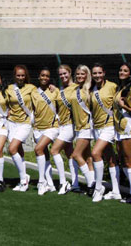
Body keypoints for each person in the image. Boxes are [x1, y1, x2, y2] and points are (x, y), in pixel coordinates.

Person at [90, 63, 119, 202]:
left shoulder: (112, 86)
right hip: (97, 127)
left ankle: (99, 187)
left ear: (104, 73)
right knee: (110, 158)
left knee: (95, 153)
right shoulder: (91, 88)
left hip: (109, 126)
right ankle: (116, 191)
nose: (97, 76)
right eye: (94, 73)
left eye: (99, 73)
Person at [49, 65, 80, 195]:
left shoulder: (76, 87)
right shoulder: (61, 89)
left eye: (65, 73)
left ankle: (63, 182)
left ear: (70, 72)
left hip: (70, 125)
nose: (63, 76)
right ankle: (75, 183)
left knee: (54, 150)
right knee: (70, 153)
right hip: (61, 125)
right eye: (60, 74)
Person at [5, 65, 36, 192]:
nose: (20, 78)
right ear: (14, 76)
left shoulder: (32, 88)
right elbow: (6, 103)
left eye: (23, 75)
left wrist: (51, 88)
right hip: (12, 123)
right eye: (18, 75)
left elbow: (39, 99)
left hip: (25, 122)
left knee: (11, 149)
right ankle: (23, 176)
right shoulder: (9, 89)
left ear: (26, 76)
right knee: (18, 150)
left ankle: (24, 180)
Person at [113, 62, 131, 203]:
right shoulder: (120, 87)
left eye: (125, 71)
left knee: (129, 160)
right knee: (122, 160)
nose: (122, 72)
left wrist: (124, 107)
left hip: (128, 125)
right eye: (121, 70)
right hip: (118, 127)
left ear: (130, 74)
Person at [31, 68, 59, 196]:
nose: (45, 78)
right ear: (39, 77)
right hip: (37, 128)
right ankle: (51, 184)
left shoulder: (54, 91)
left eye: (47, 76)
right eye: (42, 75)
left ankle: (41, 182)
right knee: (44, 154)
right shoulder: (33, 92)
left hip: (52, 127)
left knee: (38, 149)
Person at [69, 65, 96, 195]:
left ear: (87, 75)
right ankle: (92, 185)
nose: (80, 76)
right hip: (79, 127)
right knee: (87, 158)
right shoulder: (75, 88)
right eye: (78, 74)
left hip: (87, 126)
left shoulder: (91, 88)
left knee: (76, 155)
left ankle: (92, 183)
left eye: (82, 74)